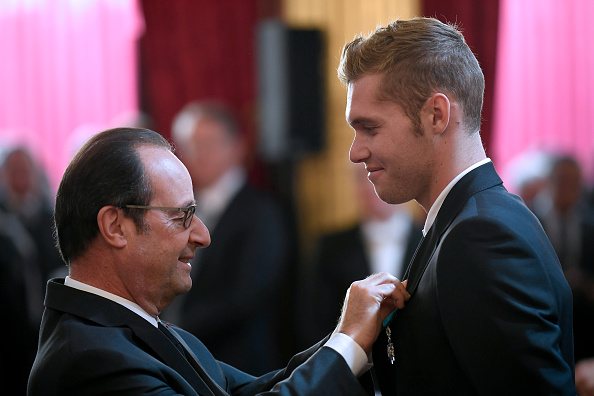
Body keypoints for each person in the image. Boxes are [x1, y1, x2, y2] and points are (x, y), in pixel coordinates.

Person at [27, 127, 410, 395]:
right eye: (182, 216)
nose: (203, 235)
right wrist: (348, 341)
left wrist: (352, 333)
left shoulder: (135, 325)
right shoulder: (91, 361)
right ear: (115, 226)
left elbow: (259, 389)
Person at [337, 17, 575, 395]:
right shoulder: (469, 221)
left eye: (370, 128)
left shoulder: (479, 237)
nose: (356, 151)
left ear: (436, 115)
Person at [165, 101, 293, 374]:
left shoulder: (261, 211)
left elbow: (246, 296)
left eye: (207, 144)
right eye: (188, 146)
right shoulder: (177, 209)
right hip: (185, 359)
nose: (197, 155)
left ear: (237, 147)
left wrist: (175, 327)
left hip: (238, 363)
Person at [304, 163, 422, 346]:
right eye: (362, 178)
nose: (370, 186)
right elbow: (315, 321)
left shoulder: (429, 239)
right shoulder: (331, 247)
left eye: (380, 174)